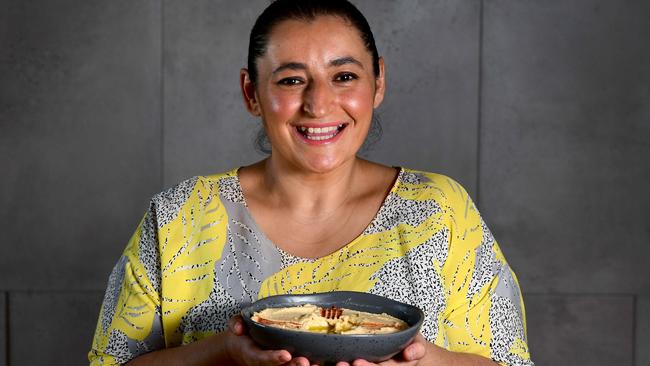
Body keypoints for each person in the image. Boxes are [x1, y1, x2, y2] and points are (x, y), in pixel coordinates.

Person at [89, 0, 534, 365]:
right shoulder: (179, 217)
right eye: (291, 80)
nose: (319, 104)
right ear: (251, 93)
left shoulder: (440, 210)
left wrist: (424, 360)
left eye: (344, 76)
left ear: (378, 82)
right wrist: (224, 352)